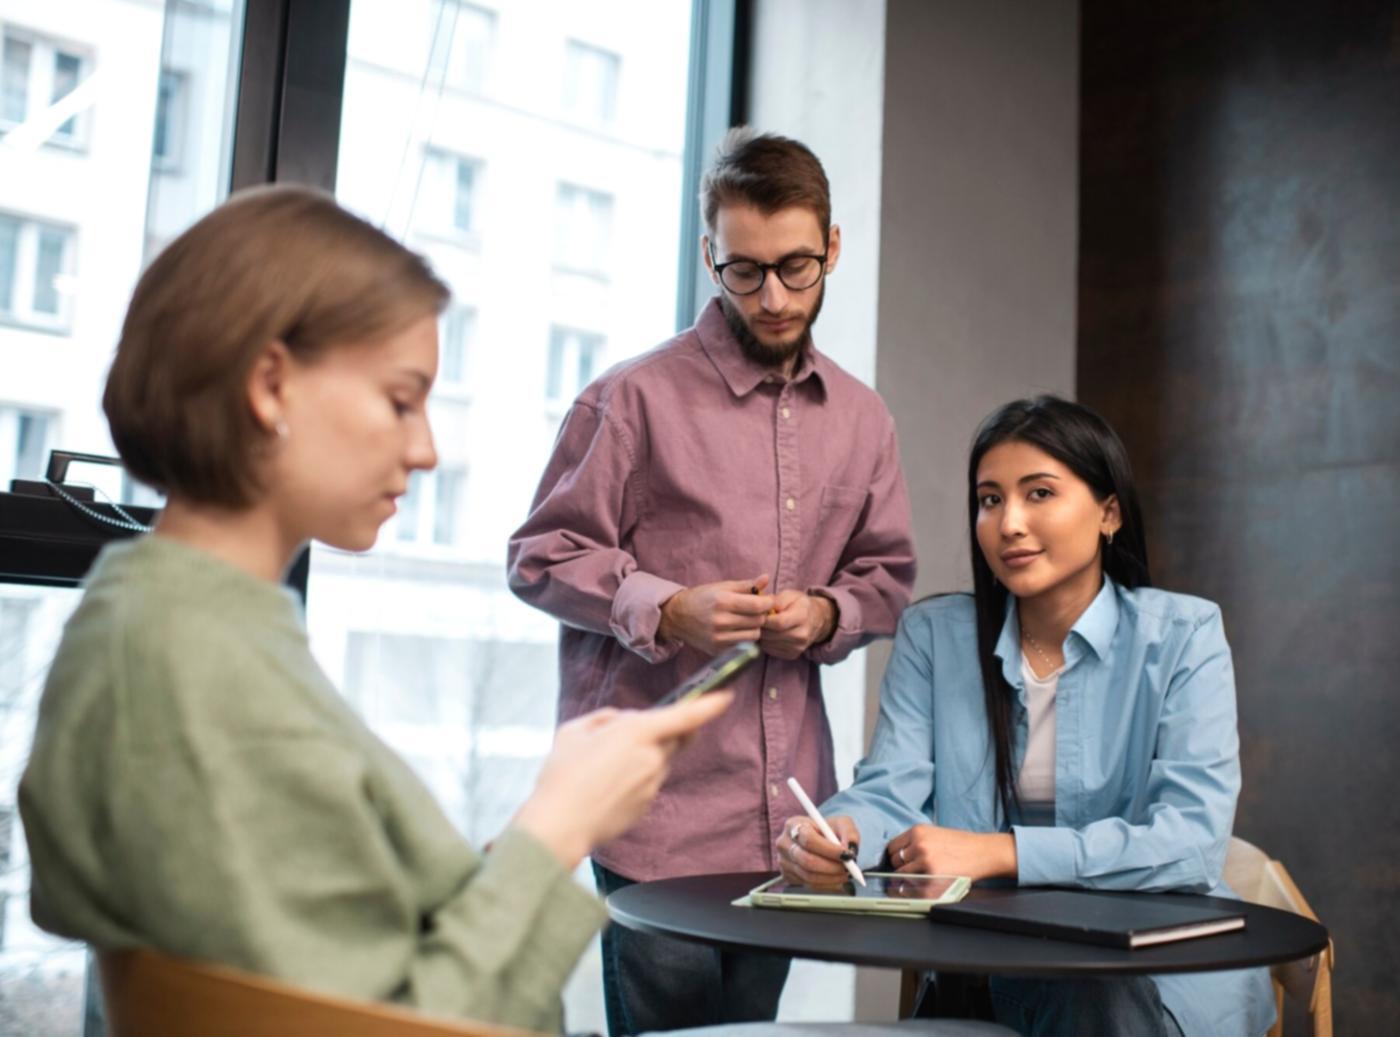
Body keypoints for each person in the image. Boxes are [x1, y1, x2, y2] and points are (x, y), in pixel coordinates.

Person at [16, 186, 734, 1035]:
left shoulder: (174, 630)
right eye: (401, 399)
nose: (426, 448)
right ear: (271, 383)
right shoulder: (192, 666)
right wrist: (560, 824)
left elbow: (331, 955)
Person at [508, 128, 916, 1035]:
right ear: (709, 255)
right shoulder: (631, 399)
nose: (772, 296)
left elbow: (886, 579)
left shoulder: (862, 418)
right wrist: (670, 606)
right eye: (744, 271)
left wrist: (822, 614)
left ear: (832, 248)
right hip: (655, 814)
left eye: (796, 267)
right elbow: (538, 556)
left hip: (787, 821)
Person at [774, 397, 1279, 1037]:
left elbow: (1189, 842)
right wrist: (840, 832)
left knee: (1088, 1000)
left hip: (1152, 967)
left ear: (1109, 512)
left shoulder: (1184, 635)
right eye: (990, 500)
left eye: (1039, 493)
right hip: (987, 961)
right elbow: (892, 794)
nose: (1009, 522)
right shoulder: (934, 637)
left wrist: (1000, 853)